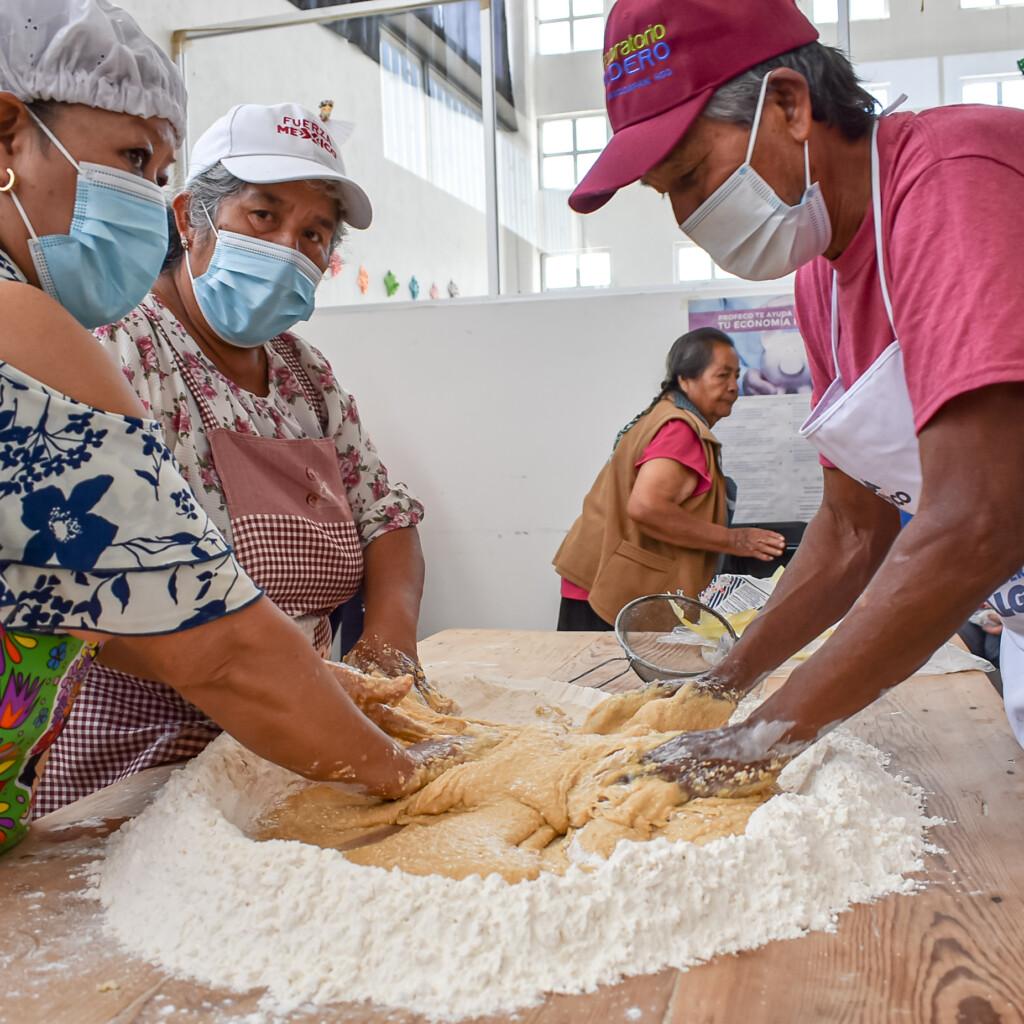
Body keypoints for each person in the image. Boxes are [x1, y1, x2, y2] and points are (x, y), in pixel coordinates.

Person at [0, 0, 455, 853]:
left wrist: (377, 664)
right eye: (132, 159)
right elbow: (204, 638)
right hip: (137, 767)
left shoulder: (308, 377)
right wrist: (416, 774)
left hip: (290, 735)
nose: (290, 247)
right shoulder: (74, 341)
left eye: (314, 234)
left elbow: (385, 519)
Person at [567, 0, 1024, 785]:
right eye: (665, 195)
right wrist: (723, 683)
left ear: (789, 104)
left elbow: (980, 519)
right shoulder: (825, 277)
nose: (687, 217)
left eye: (688, 177)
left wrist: (758, 742)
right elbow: (853, 529)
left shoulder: (951, 180)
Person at [554, 329, 785, 630]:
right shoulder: (680, 430)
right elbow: (647, 507)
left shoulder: (662, 415)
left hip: (596, 575)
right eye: (721, 376)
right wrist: (735, 540)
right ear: (685, 380)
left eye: (736, 375)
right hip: (607, 587)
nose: (733, 387)